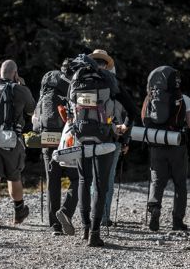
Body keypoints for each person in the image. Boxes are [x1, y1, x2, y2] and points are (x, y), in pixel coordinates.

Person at [74, 49, 138, 247]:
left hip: (81, 137)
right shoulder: (110, 80)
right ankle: (95, 233)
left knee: (84, 180)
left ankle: (85, 227)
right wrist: (124, 128)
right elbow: (132, 110)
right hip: (104, 138)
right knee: (101, 185)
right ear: (106, 65)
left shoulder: (77, 78)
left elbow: (69, 107)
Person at [145, 66, 190, 231]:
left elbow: (144, 119)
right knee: (180, 183)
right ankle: (177, 221)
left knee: (157, 180)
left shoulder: (150, 98)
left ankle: (154, 208)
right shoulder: (184, 99)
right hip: (177, 144)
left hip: (156, 143)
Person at [0, 60, 36, 227]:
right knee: (13, 176)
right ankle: (19, 212)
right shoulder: (20, 89)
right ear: (15, 73)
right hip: (9, 139)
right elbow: (32, 110)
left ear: (0, 72)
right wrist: (23, 87)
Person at [32, 60, 79, 236]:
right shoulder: (75, 84)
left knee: (53, 180)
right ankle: (66, 211)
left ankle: (55, 225)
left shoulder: (48, 83)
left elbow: (36, 114)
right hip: (67, 138)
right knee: (77, 178)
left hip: (47, 137)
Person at [90, 57, 130, 228]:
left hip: (88, 136)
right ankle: (104, 217)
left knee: (92, 178)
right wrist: (126, 139)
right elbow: (128, 113)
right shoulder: (114, 85)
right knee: (108, 178)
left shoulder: (84, 83)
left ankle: (92, 217)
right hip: (113, 138)